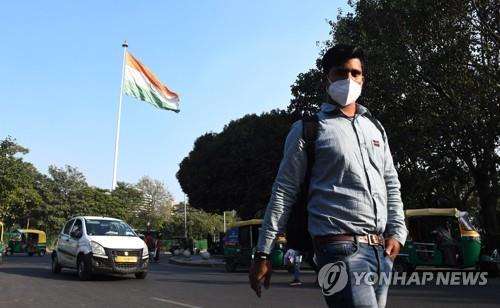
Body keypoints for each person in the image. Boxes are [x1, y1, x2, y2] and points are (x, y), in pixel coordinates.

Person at [249, 44, 407, 308]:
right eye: (341, 72)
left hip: (380, 252)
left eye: (355, 73)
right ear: (327, 78)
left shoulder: (375, 128)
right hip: (338, 249)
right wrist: (263, 252)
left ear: (363, 78)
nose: (349, 79)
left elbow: (391, 182)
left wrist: (398, 233)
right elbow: (284, 191)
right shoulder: (308, 129)